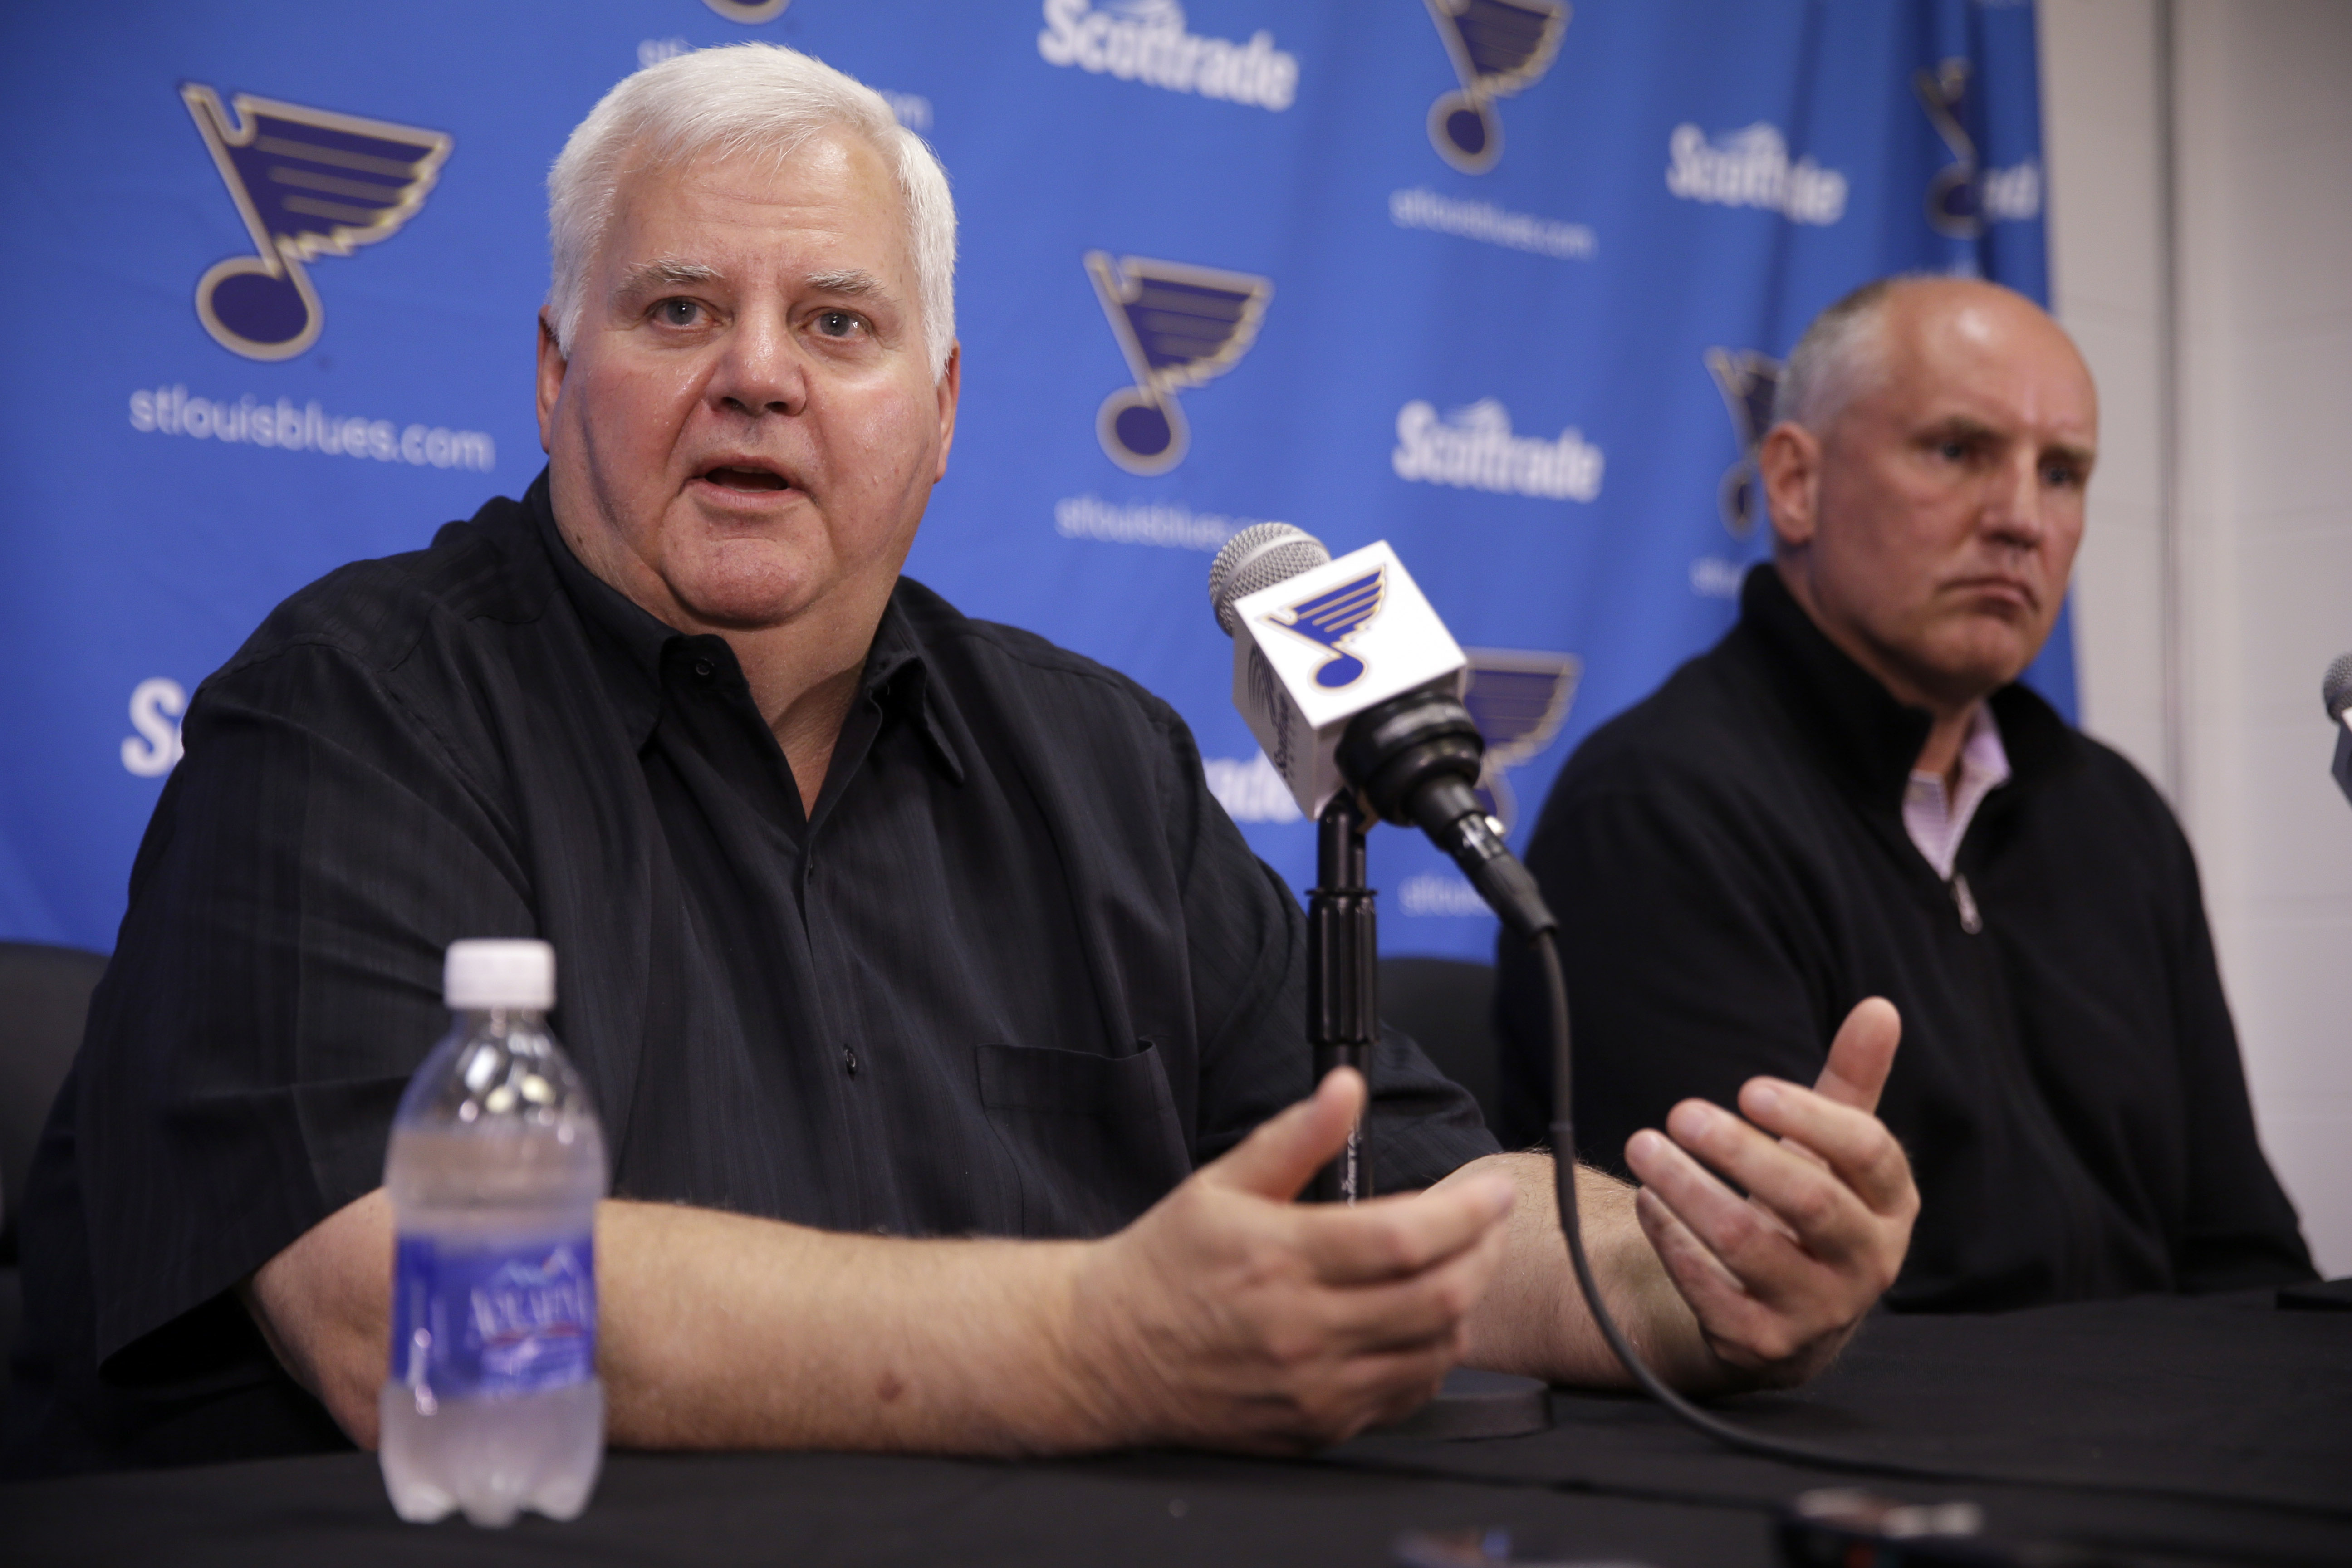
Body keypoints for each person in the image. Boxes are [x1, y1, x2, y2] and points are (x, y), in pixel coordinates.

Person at [2, 45, 1918, 1475]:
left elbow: (1401, 1206)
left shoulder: (1103, 761)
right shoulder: (347, 711)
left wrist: (1689, 1278)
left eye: (837, 324)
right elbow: (396, 1313)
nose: (758, 373)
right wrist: (1096, 1341)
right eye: (681, 311)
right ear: (549, 375)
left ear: (937, 417)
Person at [1495, 275, 2314, 1313]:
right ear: (1795, 483)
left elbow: (2244, 1257)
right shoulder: (1658, 812)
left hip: (2169, 1450)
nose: (2023, 519)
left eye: (2062, 474)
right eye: (1959, 451)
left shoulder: (2120, 821)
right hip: (1877, 1467)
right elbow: (1746, 1307)